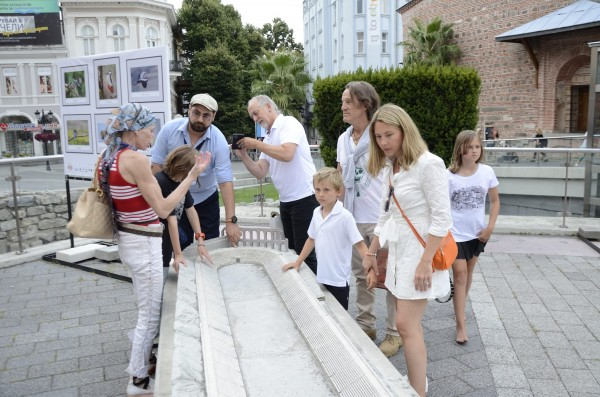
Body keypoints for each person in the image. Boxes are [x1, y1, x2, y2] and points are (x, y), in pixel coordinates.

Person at [99, 103, 211, 396]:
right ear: (135, 130)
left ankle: (144, 360)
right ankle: (137, 379)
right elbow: (163, 208)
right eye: (150, 130)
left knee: (145, 306)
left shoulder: (109, 156)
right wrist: (191, 177)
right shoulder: (134, 159)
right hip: (143, 241)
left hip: (127, 238)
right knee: (150, 314)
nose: (152, 137)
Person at [362, 104, 452, 397]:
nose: (384, 142)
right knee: (407, 324)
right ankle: (417, 383)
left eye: (389, 134)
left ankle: (418, 390)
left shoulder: (429, 164)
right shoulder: (392, 167)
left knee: (404, 324)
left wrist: (426, 262)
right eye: (378, 136)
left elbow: (442, 218)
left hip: (421, 254)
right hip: (400, 254)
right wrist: (372, 252)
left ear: (405, 131)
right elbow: (385, 214)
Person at [336, 81, 401, 357]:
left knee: (388, 278)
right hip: (352, 217)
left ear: (364, 103)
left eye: (348, 102)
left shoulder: (379, 136)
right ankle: (366, 326)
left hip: (380, 219)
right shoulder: (342, 139)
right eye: (342, 102)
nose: (343, 107)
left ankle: (394, 332)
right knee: (362, 276)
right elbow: (340, 176)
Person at [234, 95, 319, 273]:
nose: (255, 119)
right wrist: (244, 156)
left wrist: (256, 143)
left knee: (306, 254)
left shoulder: (289, 123)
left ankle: (315, 296)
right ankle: (301, 291)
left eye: (256, 113)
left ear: (270, 107)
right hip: (286, 201)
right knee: (292, 252)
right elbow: (260, 171)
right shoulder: (268, 136)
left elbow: (287, 154)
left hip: (305, 196)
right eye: (252, 117)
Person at [151, 93, 241, 248]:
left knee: (209, 244)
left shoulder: (218, 140)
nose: (200, 119)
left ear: (214, 116)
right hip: (176, 196)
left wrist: (230, 221)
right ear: (189, 110)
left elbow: (225, 182)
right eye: (196, 113)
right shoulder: (168, 130)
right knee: (179, 243)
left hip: (206, 198)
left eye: (206, 115)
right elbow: (157, 168)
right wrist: (162, 200)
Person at [282, 167, 375, 309]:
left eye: (326, 190)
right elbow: (311, 239)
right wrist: (298, 262)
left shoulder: (345, 217)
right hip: (321, 276)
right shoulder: (316, 212)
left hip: (338, 281)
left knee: (340, 318)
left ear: (339, 191)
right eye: (317, 189)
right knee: (325, 313)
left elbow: (360, 245)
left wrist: (370, 271)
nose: (321, 194)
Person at [447, 130, 500, 344]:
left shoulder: (487, 172)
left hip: (478, 234)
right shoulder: (448, 175)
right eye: (469, 147)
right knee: (459, 274)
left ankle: (460, 306)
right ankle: (461, 324)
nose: (474, 151)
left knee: (469, 272)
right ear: (460, 149)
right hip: (454, 235)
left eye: (477, 147)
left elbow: (495, 202)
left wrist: (490, 228)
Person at [155, 145, 213, 279]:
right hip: (159, 238)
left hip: (169, 238)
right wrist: (178, 253)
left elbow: (191, 210)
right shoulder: (162, 181)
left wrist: (200, 241)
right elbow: (171, 221)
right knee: (160, 274)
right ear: (181, 167)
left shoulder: (180, 181)